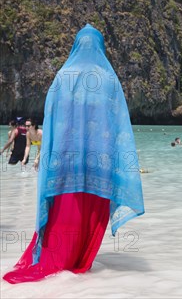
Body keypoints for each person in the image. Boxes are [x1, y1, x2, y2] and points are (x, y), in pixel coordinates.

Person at [3, 24, 144, 284]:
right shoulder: (109, 79)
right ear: (100, 46)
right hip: (99, 167)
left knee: (64, 213)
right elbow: (117, 128)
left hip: (66, 164)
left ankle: (59, 261)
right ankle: (80, 263)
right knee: (91, 214)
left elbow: (54, 120)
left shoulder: (64, 75)